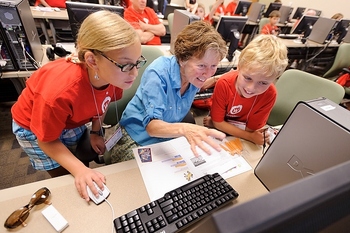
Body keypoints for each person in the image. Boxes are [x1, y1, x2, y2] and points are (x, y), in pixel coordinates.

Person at [11, 11, 144, 202]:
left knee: (77, 162)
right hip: (34, 127)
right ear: (92, 61)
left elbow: (102, 103)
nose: (135, 73)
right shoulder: (59, 91)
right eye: (126, 65)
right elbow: (46, 140)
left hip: (69, 119)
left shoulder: (114, 76)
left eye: (137, 62)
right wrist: (79, 170)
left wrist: (96, 132)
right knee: (65, 176)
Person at [109, 21, 228, 163]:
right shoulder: (159, 73)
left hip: (168, 136)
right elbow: (152, 127)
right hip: (136, 136)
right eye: (202, 65)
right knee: (147, 179)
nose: (207, 73)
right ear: (183, 59)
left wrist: (218, 78)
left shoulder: (194, 75)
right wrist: (185, 129)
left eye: (213, 66)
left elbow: (211, 78)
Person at [203, 35, 288, 145]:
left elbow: (251, 130)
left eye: (263, 83)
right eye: (248, 78)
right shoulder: (224, 83)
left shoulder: (270, 94)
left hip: (238, 135)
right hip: (225, 134)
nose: (251, 88)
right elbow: (219, 123)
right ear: (239, 67)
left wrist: (218, 123)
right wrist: (250, 137)